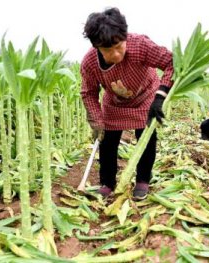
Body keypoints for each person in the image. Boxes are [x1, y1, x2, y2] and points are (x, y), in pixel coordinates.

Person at [80, 8, 173, 200]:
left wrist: (160, 96)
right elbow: (89, 93)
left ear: (125, 37)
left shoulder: (140, 46)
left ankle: (143, 180)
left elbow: (171, 62)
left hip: (147, 96)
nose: (115, 54)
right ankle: (107, 182)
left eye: (119, 46)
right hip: (114, 103)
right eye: (107, 50)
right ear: (96, 46)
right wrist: (95, 121)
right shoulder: (90, 63)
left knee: (146, 138)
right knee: (107, 142)